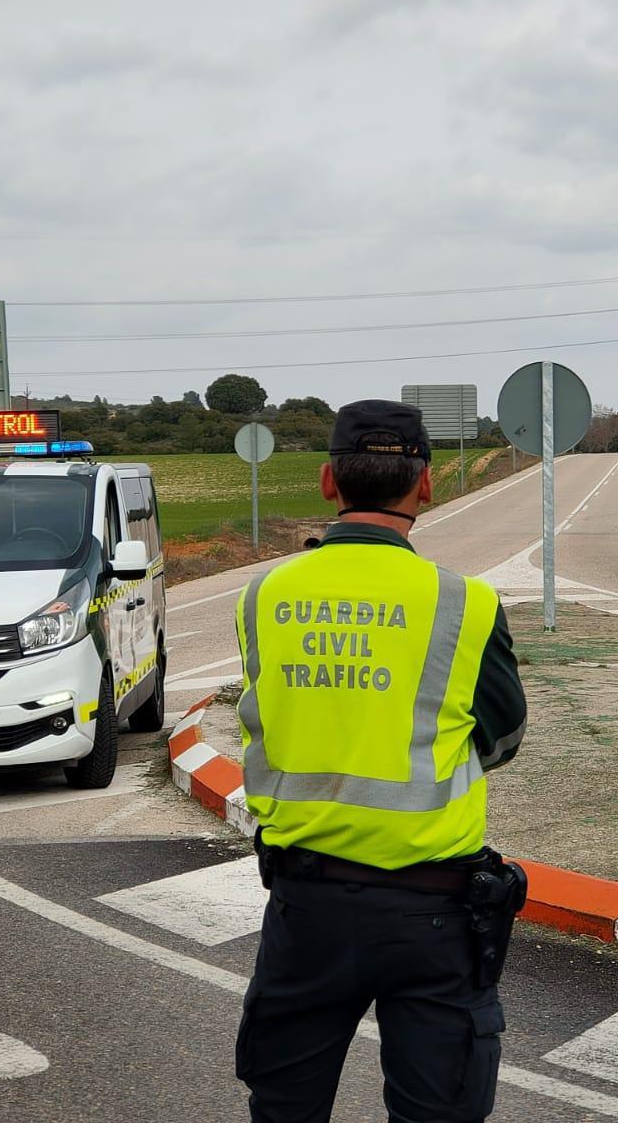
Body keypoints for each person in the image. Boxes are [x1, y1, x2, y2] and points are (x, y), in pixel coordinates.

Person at [233, 399, 528, 1122]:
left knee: (284, 1109)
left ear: (329, 483)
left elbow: (269, 710)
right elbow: (504, 737)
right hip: (434, 912)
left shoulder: (263, 594)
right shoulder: (465, 603)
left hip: (307, 907)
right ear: (425, 486)